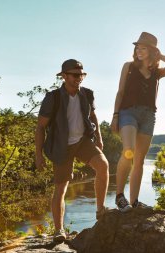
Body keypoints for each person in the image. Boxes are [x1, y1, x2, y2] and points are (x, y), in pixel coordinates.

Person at [35, 59, 109, 242]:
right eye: (75, 75)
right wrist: (38, 155)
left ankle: (100, 211)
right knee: (61, 188)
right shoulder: (53, 98)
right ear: (64, 76)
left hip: (83, 141)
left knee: (103, 166)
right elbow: (40, 127)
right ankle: (59, 230)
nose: (79, 78)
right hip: (62, 145)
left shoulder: (87, 94)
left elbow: (93, 116)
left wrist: (99, 137)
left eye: (82, 75)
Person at [111, 32, 165, 212]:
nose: (139, 50)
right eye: (137, 47)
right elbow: (120, 93)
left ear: (151, 51)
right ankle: (119, 196)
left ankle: (134, 201)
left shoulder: (156, 72)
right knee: (129, 151)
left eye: (143, 48)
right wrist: (115, 116)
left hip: (149, 116)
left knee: (139, 161)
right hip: (128, 112)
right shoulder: (128, 67)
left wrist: (160, 55)